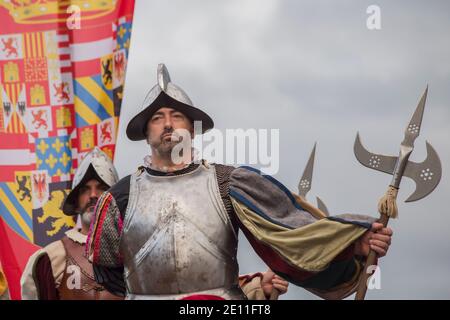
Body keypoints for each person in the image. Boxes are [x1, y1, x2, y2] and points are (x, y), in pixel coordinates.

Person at [87, 64, 392, 300]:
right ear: (146, 132)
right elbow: (106, 269)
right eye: (157, 117)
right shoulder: (120, 197)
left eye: (177, 115)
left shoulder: (227, 182)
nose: (167, 123)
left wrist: (352, 241)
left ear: (192, 128)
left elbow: (293, 232)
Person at [21, 147, 123, 300]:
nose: (93, 195)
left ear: (115, 199)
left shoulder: (133, 252)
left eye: (102, 188)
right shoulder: (52, 257)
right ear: (75, 202)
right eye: (85, 190)